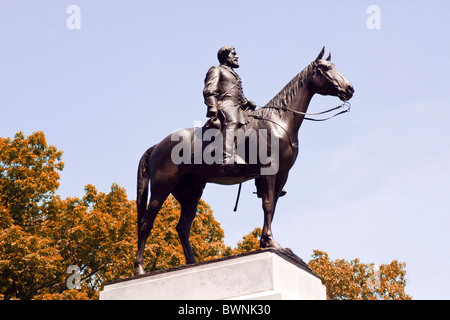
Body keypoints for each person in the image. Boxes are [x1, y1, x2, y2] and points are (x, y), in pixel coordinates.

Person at [203, 46, 257, 173]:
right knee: (232, 120)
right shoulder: (216, 69)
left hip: (237, 106)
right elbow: (210, 89)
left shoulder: (235, 75)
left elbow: (239, 95)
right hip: (225, 104)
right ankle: (227, 158)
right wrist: (212, 107)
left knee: (257, 123)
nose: (236, 57)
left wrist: (246, 102)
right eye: (233, 54)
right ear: (225, 57)